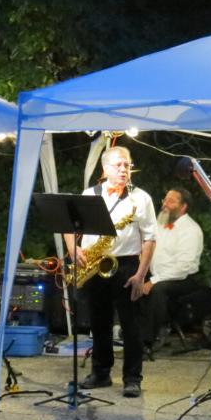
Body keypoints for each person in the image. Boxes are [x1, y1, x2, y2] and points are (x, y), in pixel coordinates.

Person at [65, 146, 157, 398]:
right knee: (98, 322)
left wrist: (141, 273)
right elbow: (67, 226)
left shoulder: (141, 198)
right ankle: (101, 373)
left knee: (131, 325)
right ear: (105, 169)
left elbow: (150, 239)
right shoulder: (89, 194)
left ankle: (132, 377)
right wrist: (73, 250)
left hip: (126, 264)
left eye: (127, 165)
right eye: (118, 165)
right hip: (95, 265)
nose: (124, 170)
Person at [141, 187, 203, 354]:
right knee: (130, 280)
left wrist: (152, 281)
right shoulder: (160, 224)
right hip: (159, 275)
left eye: (171, 201)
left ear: (183, 207)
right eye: (165, 200)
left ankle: (147, 342)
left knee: (158, 290)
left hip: (182, 279)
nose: (165, 204)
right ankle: (130, 335)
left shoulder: (190, 229)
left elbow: (182, 267)